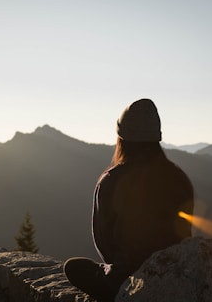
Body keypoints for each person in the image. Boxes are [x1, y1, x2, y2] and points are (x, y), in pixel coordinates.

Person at [64, 99, 194, 302]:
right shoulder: (179, 178)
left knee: (74, 267)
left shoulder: (111, 180)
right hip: (174, 274)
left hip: (126, 280)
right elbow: (185, 235)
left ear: (122, 138)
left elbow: (105, 244)